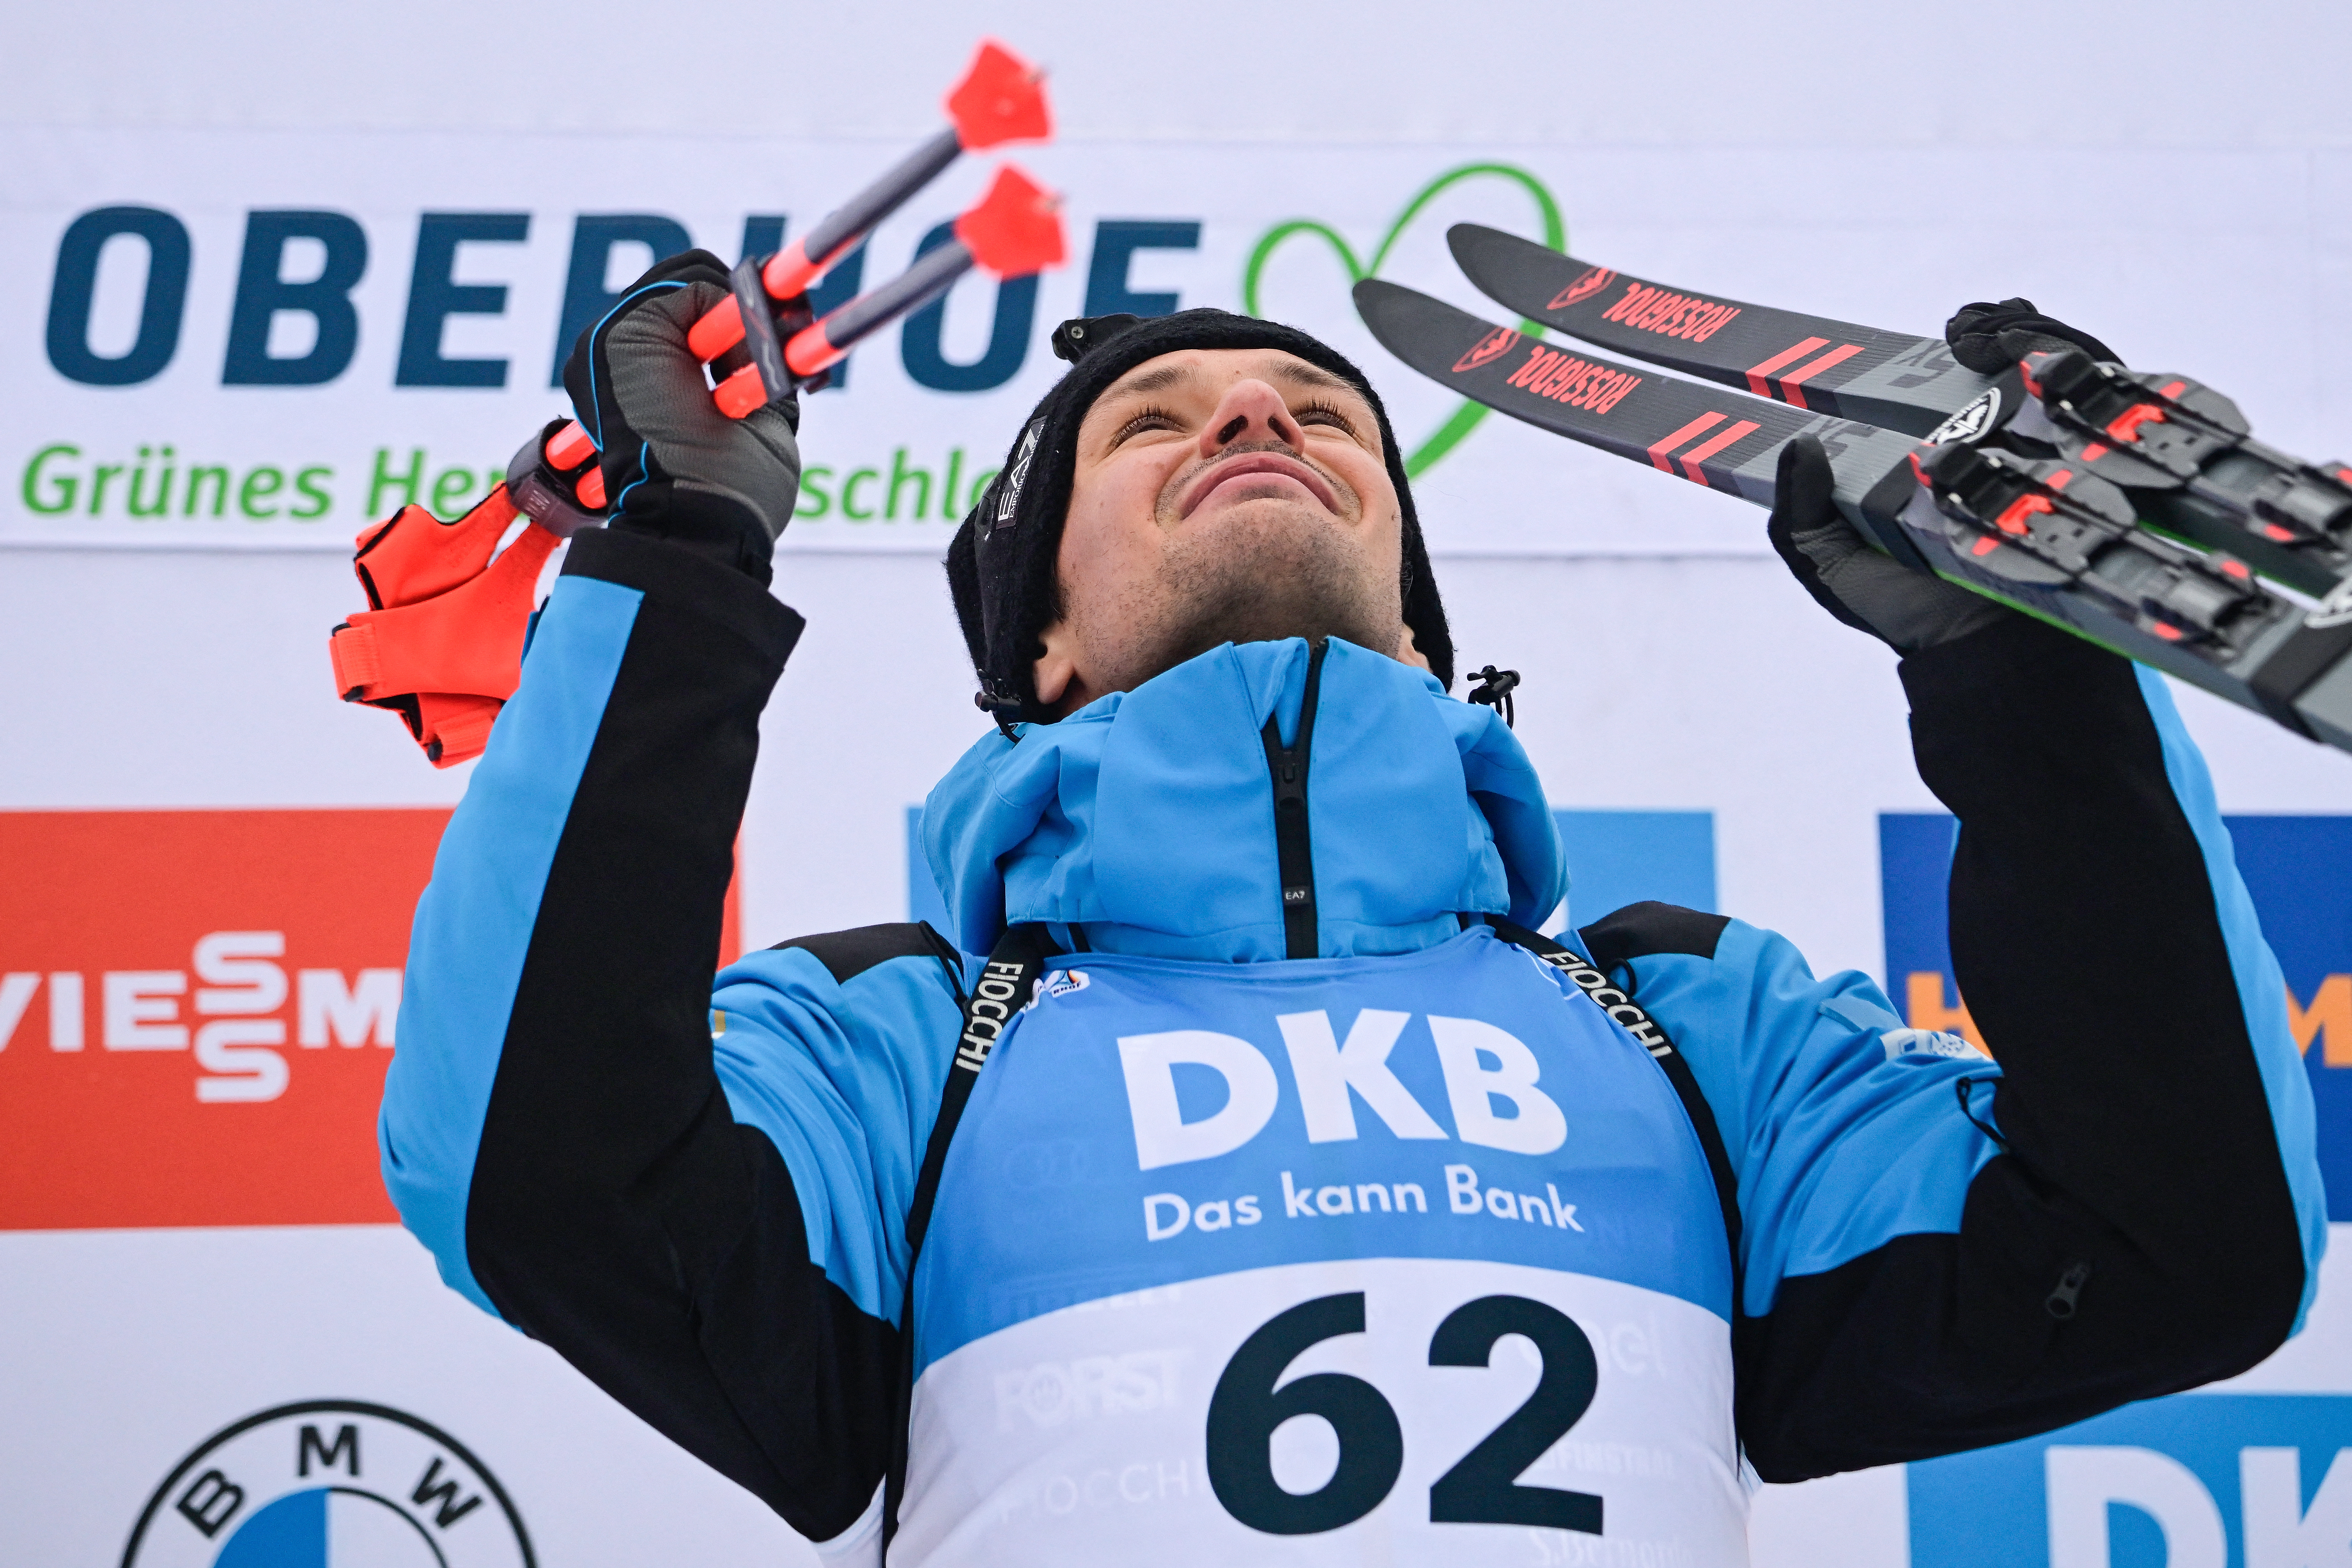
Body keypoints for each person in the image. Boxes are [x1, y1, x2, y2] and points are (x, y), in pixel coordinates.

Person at [378, 252, 2323, 1565]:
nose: (1255, 421)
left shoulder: (1683, 1021)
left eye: (1323, 416)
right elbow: (548, 1182)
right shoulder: (901, 1045)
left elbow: (2173, 1244)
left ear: (1413, 618)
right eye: (1154, 425)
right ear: (1039, 642)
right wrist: (680, 557)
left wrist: (2026, 668)